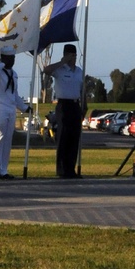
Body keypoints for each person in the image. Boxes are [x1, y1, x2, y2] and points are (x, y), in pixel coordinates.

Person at [0, 43, 27, 178]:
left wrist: (25, 107)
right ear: (4, 58)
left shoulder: (13, 74)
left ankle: (3, 169)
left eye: (13, 58)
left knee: (7, 139)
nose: (12, 61)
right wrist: (2, 64)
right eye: (10, 58)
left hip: (10, 108)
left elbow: (14, 94)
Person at [45, 44, 86, 179]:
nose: (72, 58)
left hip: (75, 105)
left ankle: (71, 169)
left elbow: (82, 89)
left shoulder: (79, 71)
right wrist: (62, 62)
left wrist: (84, 107)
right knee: (63, 137)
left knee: (74, 138)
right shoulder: (60, 70)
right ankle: (62, 169)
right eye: (70, 55)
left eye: (74, 56)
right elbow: (46, 70)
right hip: (63, 105)